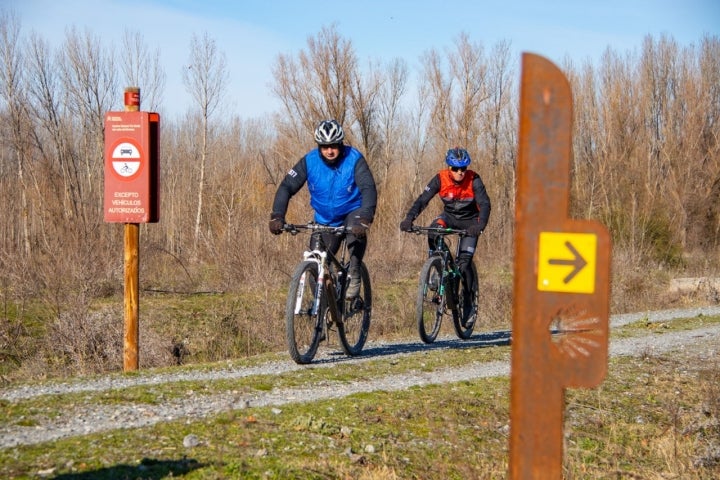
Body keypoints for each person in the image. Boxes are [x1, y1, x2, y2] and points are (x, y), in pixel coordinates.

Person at [269, 119, 377, 298]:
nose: (330, 151)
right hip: (325, 218)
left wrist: (366, 216)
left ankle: (355, 271)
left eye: (333, 146)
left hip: (353, 211)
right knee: (315, 263)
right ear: (319, 146)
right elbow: (286, 186)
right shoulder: (309, 161)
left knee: (355, 234)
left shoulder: (354, 159)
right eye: (325, 146)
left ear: (340, 143)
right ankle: (325, 310)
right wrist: (277, 215)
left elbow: (368, 188)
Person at [400, 147, 491, 325]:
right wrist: (409, 219)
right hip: (449, 218)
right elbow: (422, 200)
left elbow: (485, 204)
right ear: (448, 168)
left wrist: (480, 225)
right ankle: (438, 264)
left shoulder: (474, 179)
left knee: (464, 265)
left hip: (470, 222)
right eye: (455, 169)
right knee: (433, 231)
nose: (460, 173)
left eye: (463, 169)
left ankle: (469, 303)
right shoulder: (440, 178)